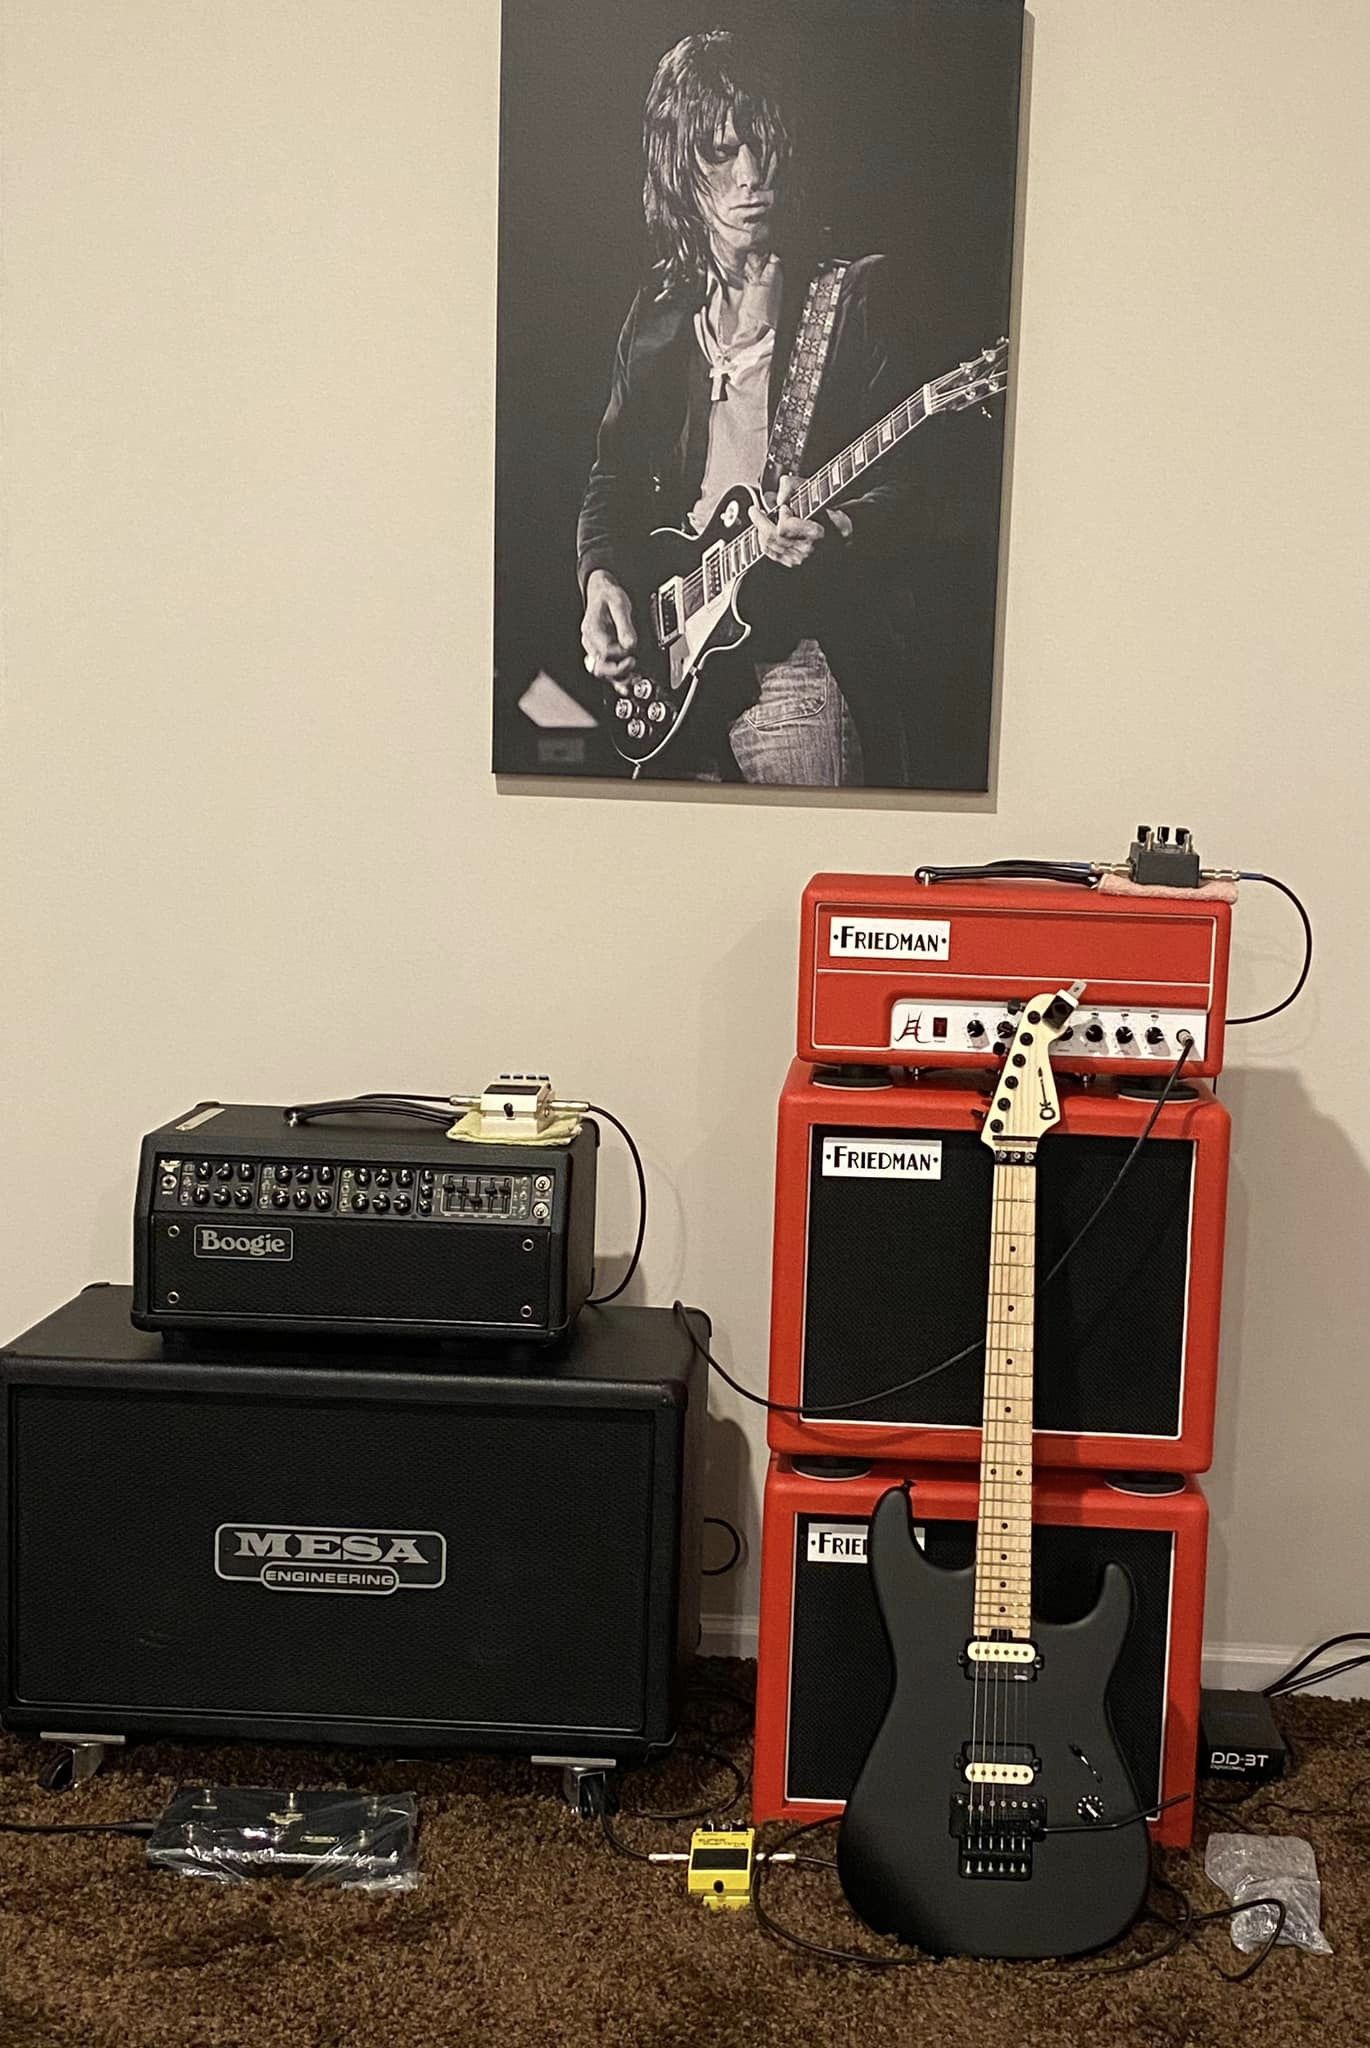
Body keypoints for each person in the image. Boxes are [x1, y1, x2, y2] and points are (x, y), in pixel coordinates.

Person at [576, 28, 922, 786]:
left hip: (789, 663)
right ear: (678, 167)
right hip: (672, 667)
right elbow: (613, 480)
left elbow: (922, 485)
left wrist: (837, 528)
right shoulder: (659, 314)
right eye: (720, 152)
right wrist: (601, 580)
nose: (750, 175)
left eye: (761, 147)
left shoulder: (849, 298)